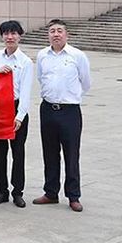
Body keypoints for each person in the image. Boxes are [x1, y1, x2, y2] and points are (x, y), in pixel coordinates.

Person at [34, 19, 91, 213]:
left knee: (71, 154)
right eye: (52, 31)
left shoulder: (77, 55)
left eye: (59, 31)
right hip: (48, 109)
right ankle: (51, 192)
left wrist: (71, 96)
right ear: (48, 35)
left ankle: (73, 196)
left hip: (70, 111)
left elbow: (86, 82)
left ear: (66, 35)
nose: (56, 34)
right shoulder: (42, 55)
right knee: (49, 153)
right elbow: (41, 78)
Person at [0, 20, 34, 208]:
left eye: (13, 33)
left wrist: (20, 116)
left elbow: (26, 91)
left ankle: (18, 192)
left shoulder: (25, 62)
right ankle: (2, 191)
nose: (9, 37)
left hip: (16, 109)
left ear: (19, 36)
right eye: (6, 33)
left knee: (18, 152)